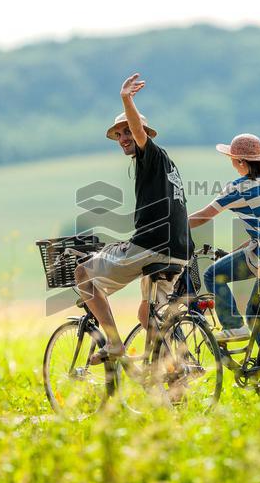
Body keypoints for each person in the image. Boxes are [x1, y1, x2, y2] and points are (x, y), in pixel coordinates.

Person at [75, 73, 191, 363]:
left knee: (82, 274)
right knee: (147, 314)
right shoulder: (167, 165)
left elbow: (139, 133)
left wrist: (126, 98)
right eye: (119, 135)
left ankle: (114, 344)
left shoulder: (150, 154)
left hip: (152, 245)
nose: (123, 138)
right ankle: (176, 370)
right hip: (178, 250)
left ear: (144, 135)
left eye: (128, 132)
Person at [188, 133, 260, 342]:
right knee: (256, 315)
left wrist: (173, 227)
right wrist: (238, 251)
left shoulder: (241, 186)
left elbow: (204, 216)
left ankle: (233, 326)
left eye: (231, 158)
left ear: (240, 161)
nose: (231, 162)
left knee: (213, 274)